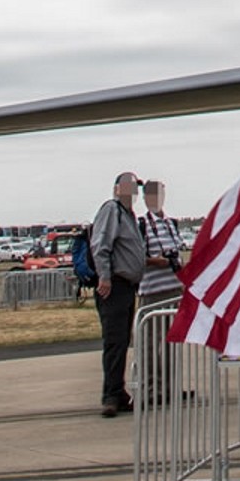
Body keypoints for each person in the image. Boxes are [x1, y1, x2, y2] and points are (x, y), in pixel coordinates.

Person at [91, 171, 149, 416]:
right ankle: (111, 396)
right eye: (128, 186)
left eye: (135, 187)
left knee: (122, 340)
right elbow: (100, 244)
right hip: (113, 285)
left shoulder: (129, 215)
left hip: (126, 286)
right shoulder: (112, 211)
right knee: (115, 341)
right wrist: (104, 276)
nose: (132, 191)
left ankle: (118, 390)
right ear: (117, 189)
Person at [135, 180, 192, 403]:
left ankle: (169, 388)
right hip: (152, 291)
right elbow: (137, 257)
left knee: (171, 342)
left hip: (173, 290)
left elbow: (178, 255)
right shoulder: (141, 225)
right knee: (150, 344)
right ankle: (150, 389)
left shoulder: (171, 224)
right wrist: (156, 262)